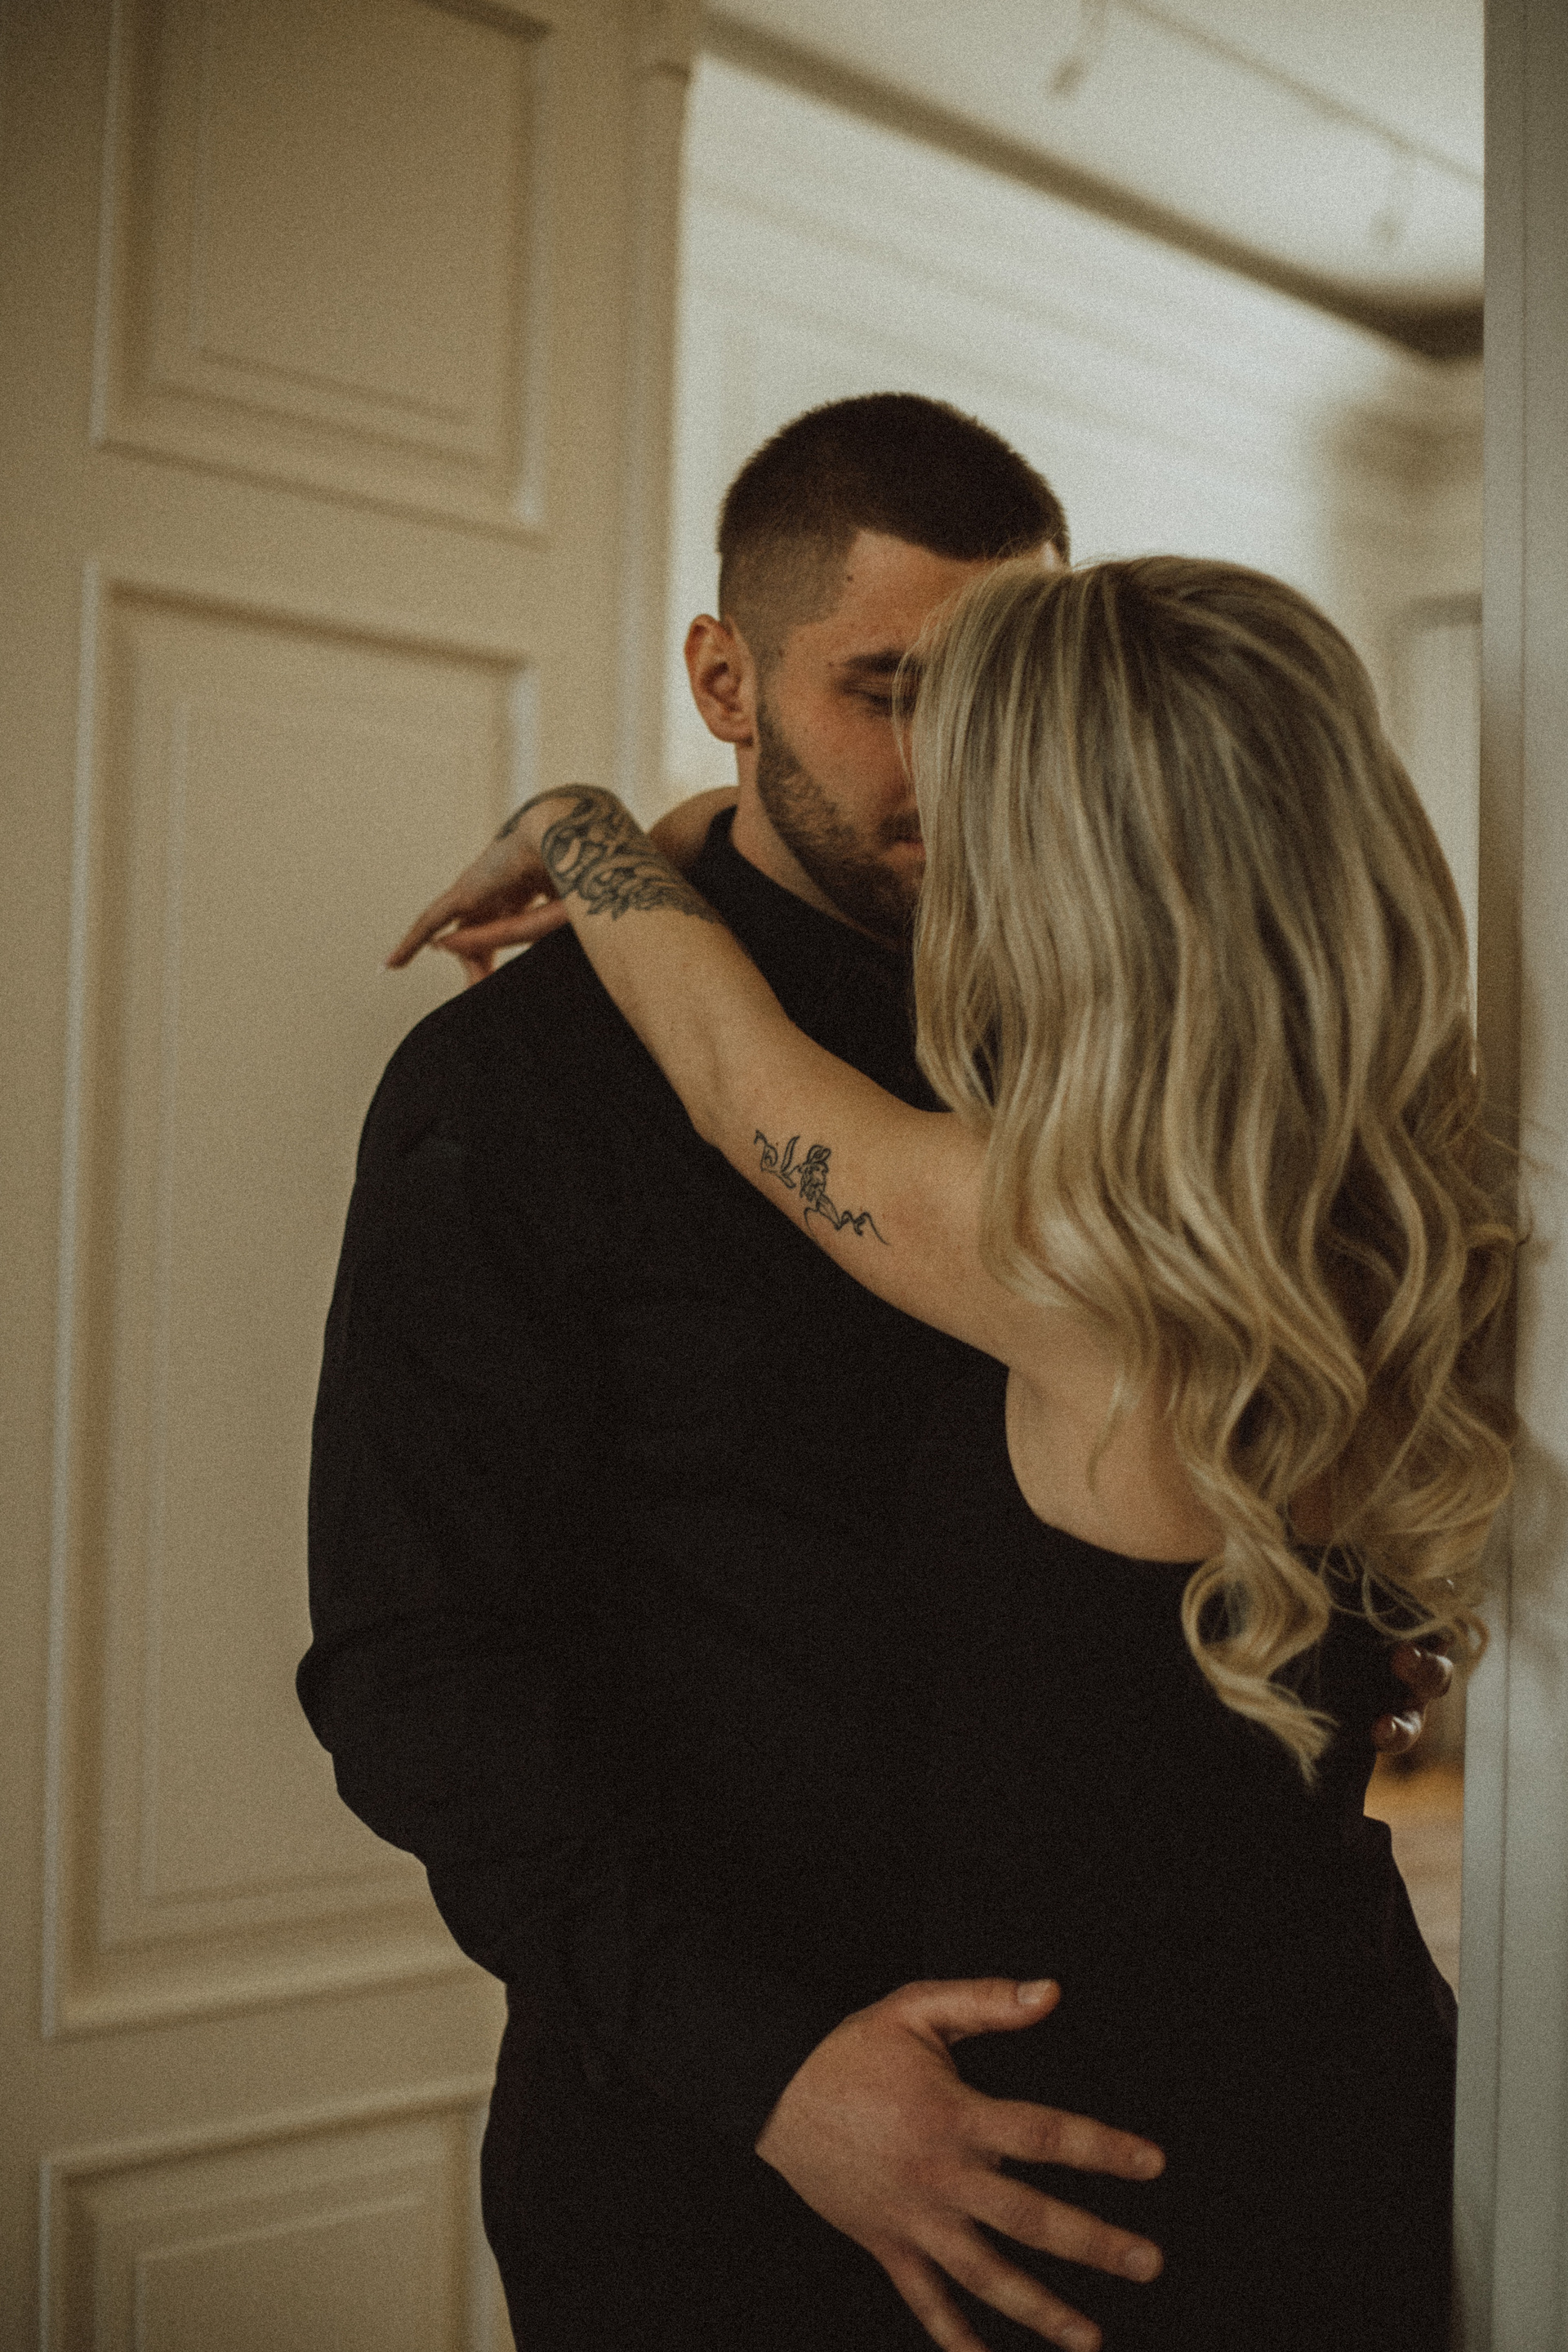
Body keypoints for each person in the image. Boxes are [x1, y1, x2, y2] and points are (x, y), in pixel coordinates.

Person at [302, 396, 1449, 2352]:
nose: (953, 768)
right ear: (726, 685)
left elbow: (746, 1082)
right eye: (892, 693)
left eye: (998, 701)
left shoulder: (1133, 1105)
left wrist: (591, 821)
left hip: (1238, 2145)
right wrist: (765, 2067)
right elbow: (423, 1668)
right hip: (732, 2190)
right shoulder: (522, 1088)